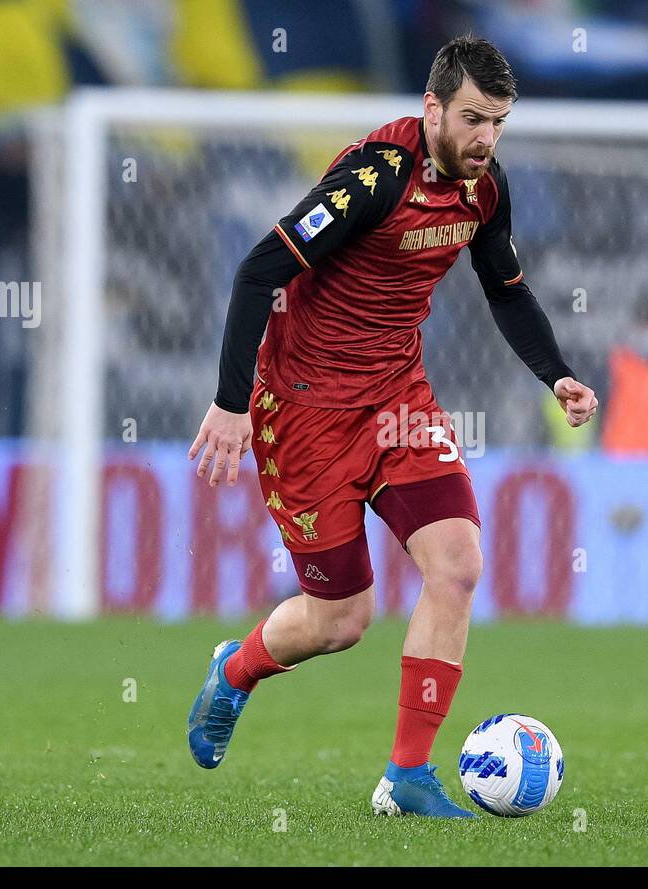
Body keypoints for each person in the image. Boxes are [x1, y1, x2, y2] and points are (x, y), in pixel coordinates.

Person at [185, 36, 598, 818]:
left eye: (499, 123)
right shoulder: (373, 179)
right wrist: (233, 403)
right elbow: (257, 271)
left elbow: (505, 289)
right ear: (432, 108)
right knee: (343, 620)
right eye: (473, 119)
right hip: (303, 412)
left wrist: (557, 374)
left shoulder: (485, 189)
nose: (486, 139)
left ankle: (406, 776)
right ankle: (235, 672)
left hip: (398, 401)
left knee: (458, 565)